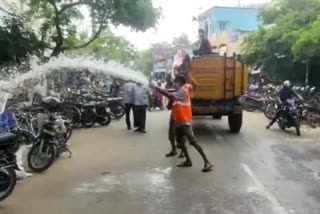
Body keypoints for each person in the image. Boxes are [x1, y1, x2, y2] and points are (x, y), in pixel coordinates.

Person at [151, 75, 213, 172]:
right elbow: (171, 99)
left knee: (193, 142)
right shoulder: (179, 91)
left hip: (184, 122)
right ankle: (188, 160)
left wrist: (156, 88)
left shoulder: (183, 91)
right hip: (178, 122)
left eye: (176, 82)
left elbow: (170, 95)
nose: (174, 83)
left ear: (180, 82)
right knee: (181, 143)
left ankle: (207, 162)